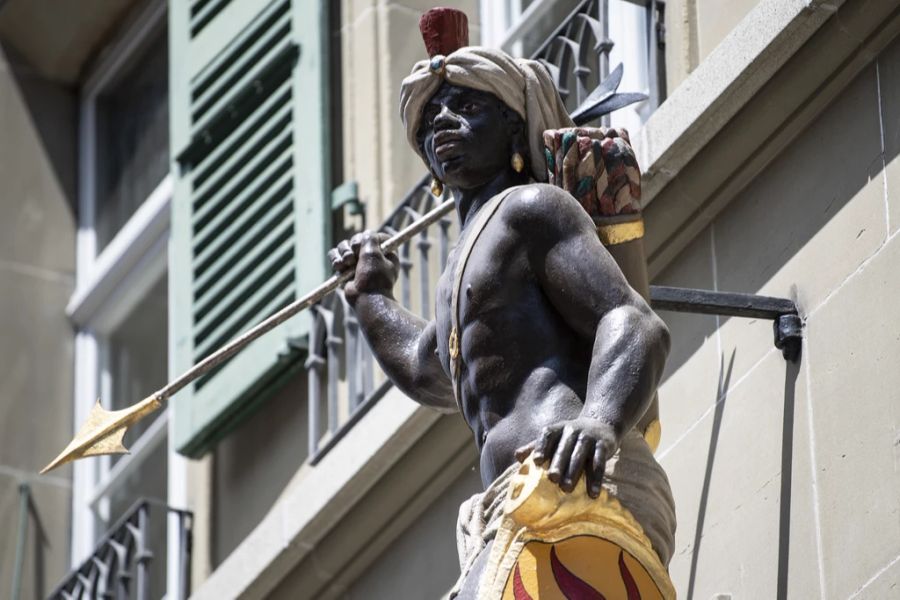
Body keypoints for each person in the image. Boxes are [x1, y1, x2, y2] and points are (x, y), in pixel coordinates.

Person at [329, 8, 675, 598]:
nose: (443, 120)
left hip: (576, 482)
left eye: (467, 108)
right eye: (432, 114)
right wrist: (369, 297)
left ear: (515, 130)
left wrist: (599, 420)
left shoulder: (530, 209)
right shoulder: (463, 262)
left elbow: (632, 319)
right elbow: (429, 369)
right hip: (512, 506)